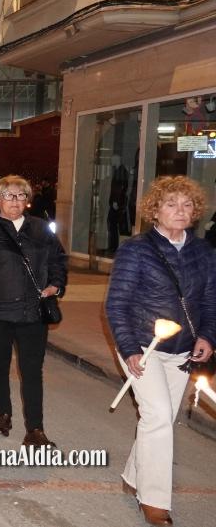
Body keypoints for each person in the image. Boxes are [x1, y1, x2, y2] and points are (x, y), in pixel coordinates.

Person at [105, 176, 215, 526]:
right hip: (142, 347)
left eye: (186, 205)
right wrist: (127, 348)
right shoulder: (136, 249)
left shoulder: (204, 252)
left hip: (181, 352)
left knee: (163, 419)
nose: (180, 211)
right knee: (157, 418)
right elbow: (117, 303)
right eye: (171, 204)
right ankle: (154, 501)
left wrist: (208, 337)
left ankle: (133, 475)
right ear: (155, 211)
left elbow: (211, 301)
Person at [0, 175, 68, 448]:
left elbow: (58, 260)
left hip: (32, 313)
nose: (16, 201)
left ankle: (36, 429)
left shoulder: (41, 230)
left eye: (21, 196)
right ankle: (3, 414)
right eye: (9, 196)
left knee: (32, 371)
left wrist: (56, 284)